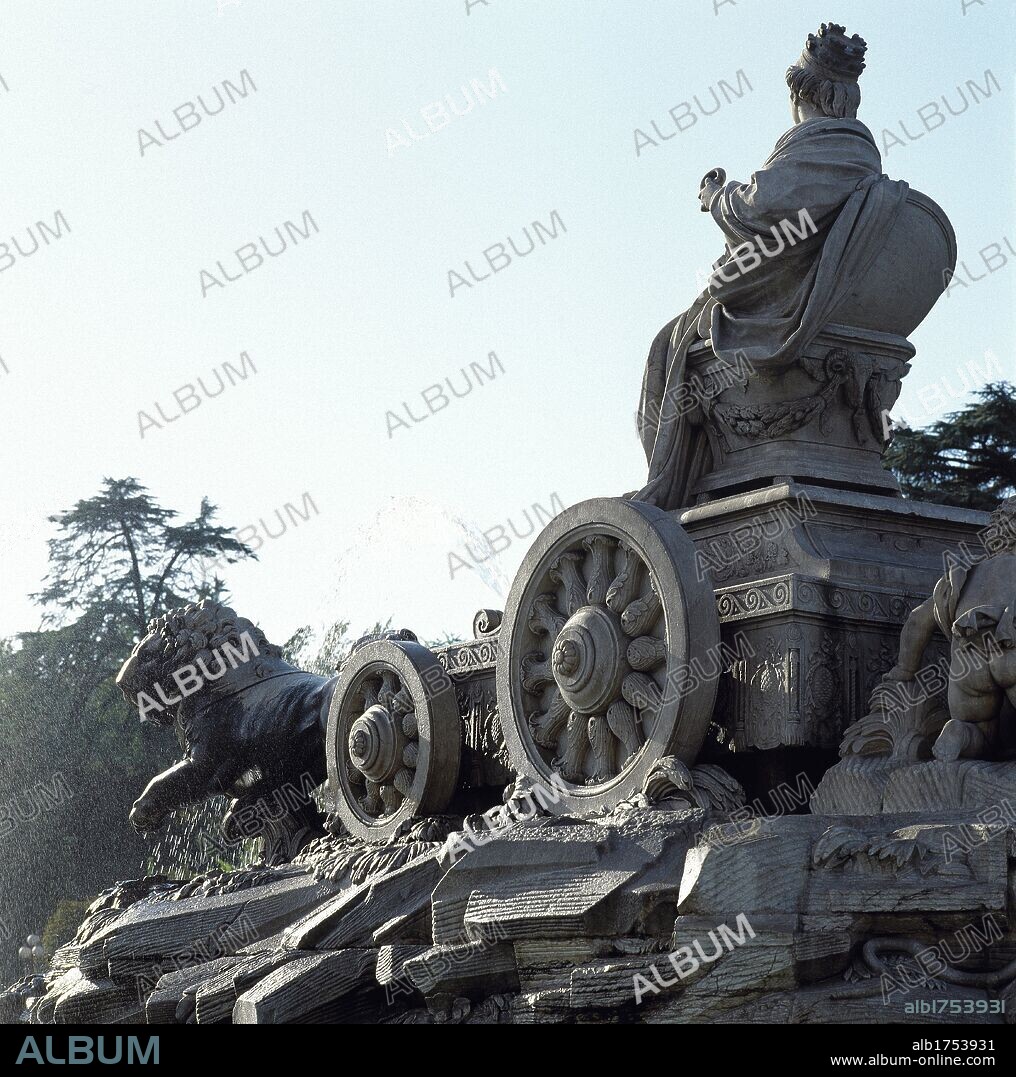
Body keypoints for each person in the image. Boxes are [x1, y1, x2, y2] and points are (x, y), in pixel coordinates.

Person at [637, 23, 909, 509]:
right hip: (828, 307)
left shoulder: (822, 144)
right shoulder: (861, 155)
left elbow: (761, 210)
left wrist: (717, 197)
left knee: (668, 343)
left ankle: (679, 484)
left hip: (786, 309)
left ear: (799, 95)